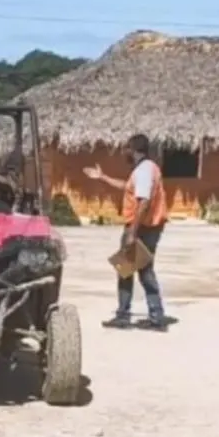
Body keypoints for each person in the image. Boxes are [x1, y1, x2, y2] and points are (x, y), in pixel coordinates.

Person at [85, 133, 169, 330]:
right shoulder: (146, 168)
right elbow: (128, 188)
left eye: (127, 149)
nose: (125, 153)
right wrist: (103, 177)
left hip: (142, 228)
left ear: (134, 149)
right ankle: (151, 315)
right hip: (148, 226)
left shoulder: (144, 171)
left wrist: (133, 231)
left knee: (135, 271)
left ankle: (137, 316)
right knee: (132, 270)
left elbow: (144, 201)